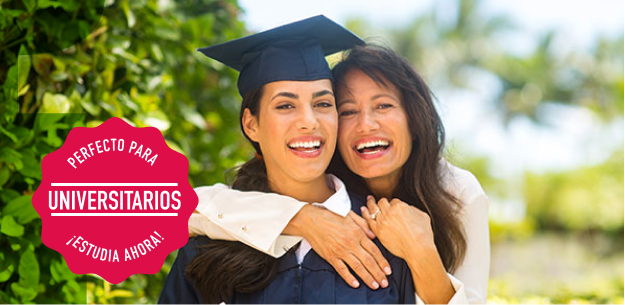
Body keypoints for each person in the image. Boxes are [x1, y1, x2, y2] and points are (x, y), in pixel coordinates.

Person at [187, 43, 490, 304]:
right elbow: (182, 209)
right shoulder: (315, 167)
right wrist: (305, 218)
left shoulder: (456, 191)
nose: (366, 125)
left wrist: (421, 251)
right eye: (347, 111)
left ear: (414, 117)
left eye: (383, 105)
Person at [159, 15, 417, 305]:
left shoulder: (386, 241)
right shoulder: (208, 250)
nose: (309, 122)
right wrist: (302, 219)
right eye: (285, 105)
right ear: (251, 124)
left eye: (322, 104)